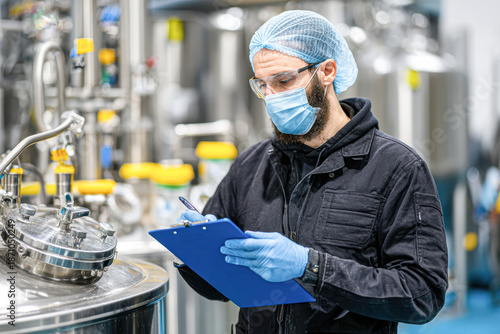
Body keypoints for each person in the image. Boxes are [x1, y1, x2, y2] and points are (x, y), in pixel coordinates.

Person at [175, 10, 448, 333]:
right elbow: (219, 289)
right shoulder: (252, 166)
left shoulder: (395, 168)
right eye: (263, 86)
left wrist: (312, 267)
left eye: (284, 81)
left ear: (327, 71)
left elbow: (421, 294)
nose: (272, 98)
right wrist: (196, 253)